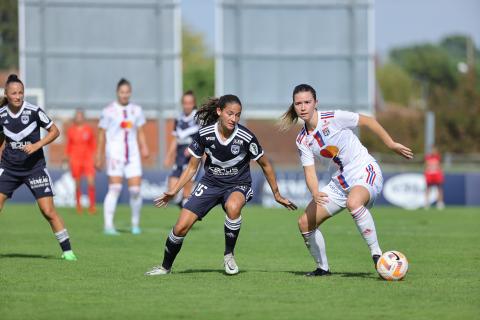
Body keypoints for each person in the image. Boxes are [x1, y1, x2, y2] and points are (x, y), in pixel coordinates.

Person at [145, 94, 297, 276]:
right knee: (180, 227)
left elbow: (265, 164)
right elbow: (192, 168)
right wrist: (173, 191)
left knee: (233, 207)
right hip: (211, 183)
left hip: (238, 183)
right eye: (230, 114)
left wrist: (277, 194)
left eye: (238, 115)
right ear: (219, 112)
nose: (234, 119)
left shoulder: (246, 137)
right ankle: (165, 267)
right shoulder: (204, 134)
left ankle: (229, 255)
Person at [281, 84, 413, 276]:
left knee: (354, 202)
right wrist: (315, 192)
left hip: (364, 171)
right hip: (339, 184)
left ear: (316, 103)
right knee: (304, 223)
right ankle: (322, 268)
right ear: (294, 106)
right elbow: (309, 172)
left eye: (307, 102)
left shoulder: (333, 118)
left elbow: (368, 121)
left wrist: (390, 144)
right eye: (298, 103)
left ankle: (377, 255)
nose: (303, 107)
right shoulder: (302, 140)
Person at [0, 74, 77, 261]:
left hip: (34, 168)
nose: (18, 96)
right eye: (14, 93)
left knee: (48, 211)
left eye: (21, 93)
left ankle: (68, 251)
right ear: (7, 95)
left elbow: (55, 131)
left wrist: (37, 145)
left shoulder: (34, 111)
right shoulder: (1, 115)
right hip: (9, 168)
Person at [95, 78, 149, 235]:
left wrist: (144, 147)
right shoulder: (108, 111)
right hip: (115, 153)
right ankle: (108, 225)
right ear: (117, 93)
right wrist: (99, 156)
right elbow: (101, 134)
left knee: (135, 190)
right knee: (115, 188)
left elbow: (140, 131)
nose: (125, 95)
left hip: (132, 154)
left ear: (130, 93)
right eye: (122, 92)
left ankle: (135, 225)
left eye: (127, 92)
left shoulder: (136, 110)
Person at [164, 90, 199, 207]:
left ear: (194, 103)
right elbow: (175, 139)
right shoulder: (178, 119)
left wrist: (192, 147)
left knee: (186, 191)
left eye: (190, 103)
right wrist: (169, 156)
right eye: (185, 103)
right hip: (179, 158)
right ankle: (182, 203)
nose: (187, 105)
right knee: (172, 191)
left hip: (193, 159)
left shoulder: (198, 117)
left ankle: (185, 221)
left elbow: (203, 137)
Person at [65, 109, 96, 214]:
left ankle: (92, 206)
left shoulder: (88, 129)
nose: (79, 118)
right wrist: (67, 157)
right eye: (77, 116)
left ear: (83, 117)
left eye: (80, 116)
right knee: (77, 183)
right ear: (75, 117)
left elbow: (93, 145)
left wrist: (95, 157)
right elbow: (68, 145)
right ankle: (78, 205)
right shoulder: (71, 130)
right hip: (75, 159)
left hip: (88, 159)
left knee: (91, 182)